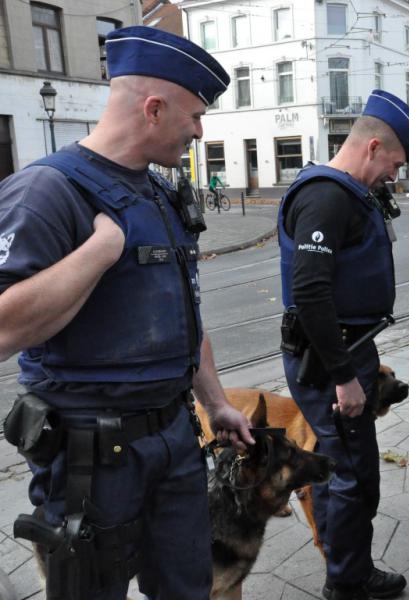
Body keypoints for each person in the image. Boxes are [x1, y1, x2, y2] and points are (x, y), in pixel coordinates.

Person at [0, 26, 252, 599]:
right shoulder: (47, 190)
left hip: (173, 440)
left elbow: (186, 315)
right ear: (155, 108)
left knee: (190, 589)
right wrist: (96, 254)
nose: (199, 130)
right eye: (194, 116)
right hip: (92, 459)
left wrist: (215, 403)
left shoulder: (160, 197)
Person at [277, 89, 409, 600]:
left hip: (341, 349)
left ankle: (344, 566)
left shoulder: (343, 191)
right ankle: (347, 582)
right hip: (329, 359)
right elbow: (311, 289)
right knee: (353, 475)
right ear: (372, 146)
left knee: (336, 467)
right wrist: (344, 376)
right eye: (394, 162)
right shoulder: (327, 195)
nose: (394, 174)